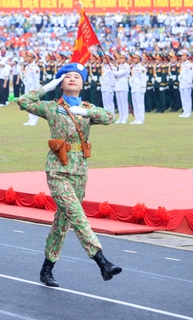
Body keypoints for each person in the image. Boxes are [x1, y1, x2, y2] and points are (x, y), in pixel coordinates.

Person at [17, 62, 121, 286]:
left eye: (77, 77)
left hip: (79, 171)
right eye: (67, 77)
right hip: (57, 169)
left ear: (83, 83)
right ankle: (101, 261)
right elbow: (23, 101)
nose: (72, 79)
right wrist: (46, 87)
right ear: (60, 83)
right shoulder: (51, 107)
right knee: (77, 215)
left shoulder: (87, 108)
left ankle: (47, 269)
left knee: (62, 222)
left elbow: (110, 117)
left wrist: (87, 111)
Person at [22, 51, 41, 126]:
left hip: (33, 88)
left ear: (33, 58)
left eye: (29, 56)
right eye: (26, 56)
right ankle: (30, 119)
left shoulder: (35, 67)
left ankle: (34, 120)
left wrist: (36, 90)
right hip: (27, 88)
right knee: (28, 104)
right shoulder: (27, 67)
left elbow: (36, 80)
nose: (27, 58)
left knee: (34, 104)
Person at [129, 53, 147, 124]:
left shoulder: (141, 67)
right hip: (134, 87)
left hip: (139, 88)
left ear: (139, 59)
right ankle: (136, 118)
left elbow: (143, 78)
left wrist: (143, 88)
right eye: (134, 58)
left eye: (136, 58)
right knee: (135, 104)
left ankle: (141, 119)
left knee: (140, 104)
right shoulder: (134, 67)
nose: (134, 59)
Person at [112, 53, 130, 124]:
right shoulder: (119, 66)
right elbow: (116, 75)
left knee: (123, 103)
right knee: (119, 103)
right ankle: (121, 117)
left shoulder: (126, 66)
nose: (120, 60)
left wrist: (113, 71)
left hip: (123, 86)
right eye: (120, 58)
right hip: (118, 85)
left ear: (125, 59)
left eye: (122, 58)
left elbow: (120, 73)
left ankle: (125, 118)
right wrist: (114, 72)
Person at [178, 51, 193, 118]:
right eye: (182, 56)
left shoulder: (189, 64)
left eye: (183, 56)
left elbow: (190, 75)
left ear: (187, 57)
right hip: (182, 83)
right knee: (183, 98)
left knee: (187, 98)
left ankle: (188, 112)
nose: (182, 57)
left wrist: (189, 83)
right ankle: (185, 111)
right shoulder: (182, 64)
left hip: (187, 83)